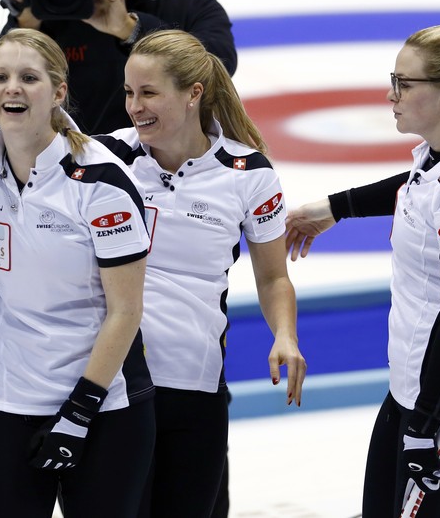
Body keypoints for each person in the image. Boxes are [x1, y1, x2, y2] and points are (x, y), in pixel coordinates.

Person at [286, 24, 440, 517]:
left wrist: (425, 426)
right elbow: (419, 187)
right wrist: (337, 207)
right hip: (417, 385)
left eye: (403, 83)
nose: (390, 94)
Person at [91, 29, 307, 518]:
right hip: (114, 383)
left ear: (193, 94)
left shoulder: (249, 173)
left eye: (148, 93)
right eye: (128, 92)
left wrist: (285, 336)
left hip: (194, 386)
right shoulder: (103, 160)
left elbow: (273, 278)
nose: (133, 106)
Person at [0, 27, 155, 517]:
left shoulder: (102, 180)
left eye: (29, 77)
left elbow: (127, 310)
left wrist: (79, 411)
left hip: (102, 407)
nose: (13, 88)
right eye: (0, 77)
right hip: (7, 401)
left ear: (58, 91)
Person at [0, 0, 237, 137]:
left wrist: (131, 28)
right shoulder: (49, 13)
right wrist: (22, 26)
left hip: (163, 182)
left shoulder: (191, 7)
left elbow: (216, 70)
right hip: (63, 186)